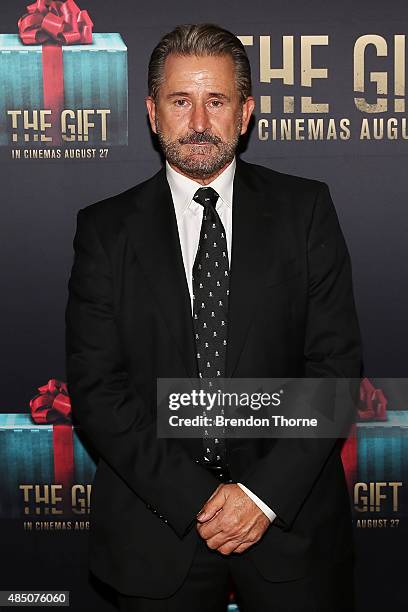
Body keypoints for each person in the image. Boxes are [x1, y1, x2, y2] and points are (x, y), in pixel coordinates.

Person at [65, 23, 363, 612]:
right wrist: (201, 500)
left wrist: (259, 496)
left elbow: (333, 369)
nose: (198, 121)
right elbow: (99, 390)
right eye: (181, 101)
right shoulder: (104, 231)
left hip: (288, 522)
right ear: (152, 113)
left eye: (217, 100)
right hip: (155, 528)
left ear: (245, 112)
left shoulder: (306, 211)